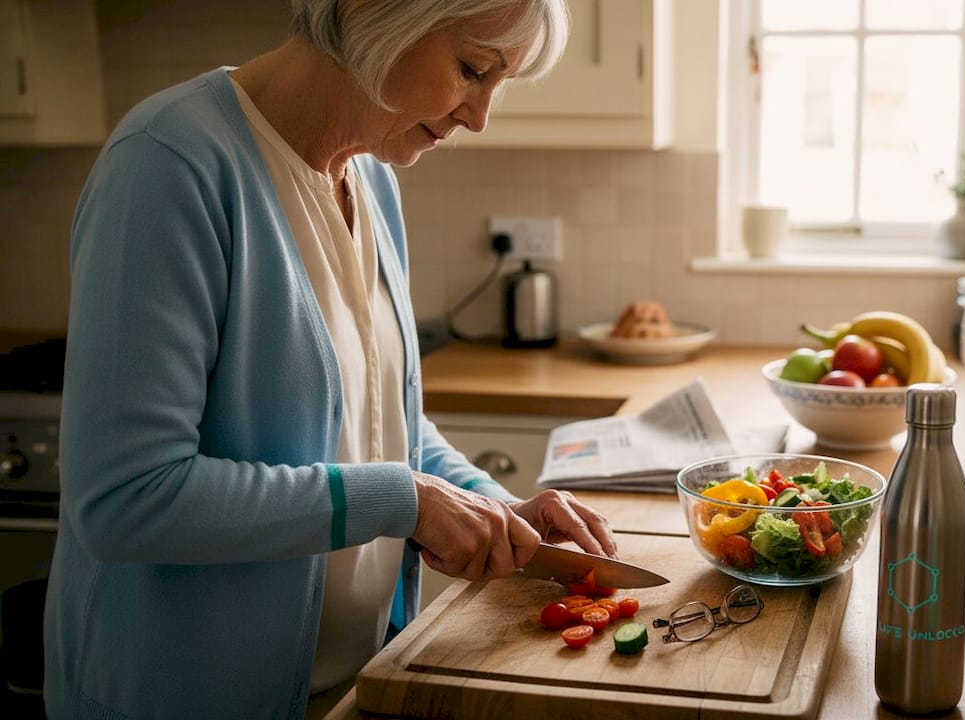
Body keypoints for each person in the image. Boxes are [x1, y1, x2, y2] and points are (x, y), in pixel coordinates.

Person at [43, 1, 614, 718]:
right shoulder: (168, 163)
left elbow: (381, 424)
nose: (479, 117)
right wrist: (406, 499)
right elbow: (126, 499)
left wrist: (496, 512)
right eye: (472, 70)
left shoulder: (373, 179)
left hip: (352, 686)